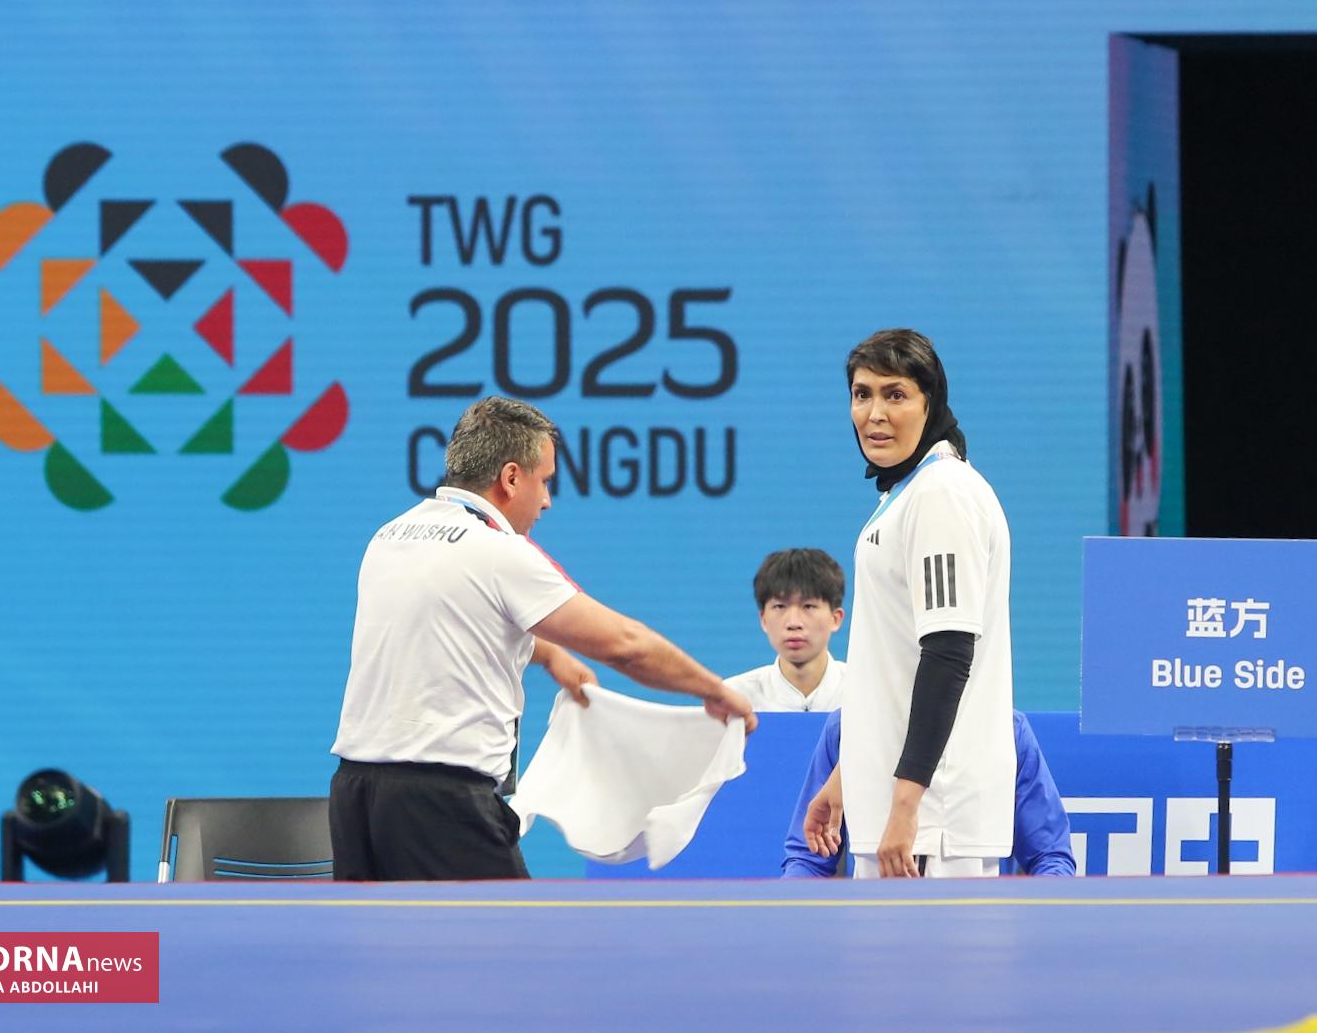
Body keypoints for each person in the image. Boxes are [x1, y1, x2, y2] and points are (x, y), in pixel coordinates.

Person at [329, 396, 756, 881]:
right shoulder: (500, 551)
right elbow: (625, 646)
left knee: (382, 934)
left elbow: (461, 625)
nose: (547, 501)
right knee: (512, 933)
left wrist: (550, 655)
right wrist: (714, 690)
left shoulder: (390, 536)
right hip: (440, 803)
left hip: (354, 795)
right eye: (545, 481)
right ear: (511, 478)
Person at [805, 328, 1015, 879]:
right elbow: (890, 668)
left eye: (895, 394)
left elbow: (948, 653)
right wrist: (846, 781)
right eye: (862, 394)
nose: (874, 414)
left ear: (930, 403)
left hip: (930, 821)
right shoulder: (905, 493)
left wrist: (906, 806)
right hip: (901, 811)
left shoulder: (942, 493)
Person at [783, 710, 1074, 877]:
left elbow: (1050, 857)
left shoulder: (1008, 731)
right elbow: (808, 860)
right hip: (872, 938)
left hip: (980, 941)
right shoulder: (846, 727)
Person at [724, 549, 847, 711]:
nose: (793, 623)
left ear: (835, 619)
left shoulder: (868, 691)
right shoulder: (734, 698)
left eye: (808, 606)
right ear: (764, 619)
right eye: (780, 606)